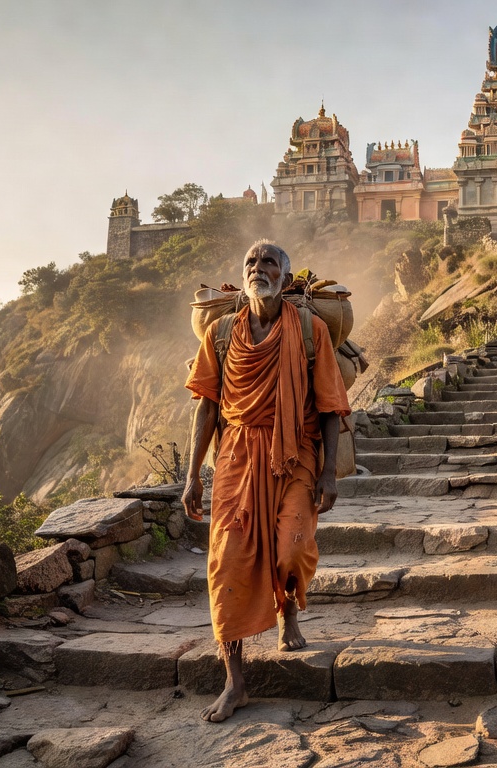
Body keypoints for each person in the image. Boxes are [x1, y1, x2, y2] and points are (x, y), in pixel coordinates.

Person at [182, 240, 350, 723]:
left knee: (290, 548)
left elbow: (330, 406)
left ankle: (288, 610)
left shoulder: (308, 328)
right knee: (229, 563)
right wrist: (192, 475)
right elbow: (207, 407)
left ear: (285, 276)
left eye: (269, 262)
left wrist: (328, 471)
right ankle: (235, 682)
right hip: (235, 459)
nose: (259, 268)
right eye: (251, 262)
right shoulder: (219, 334)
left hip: (295, 453)